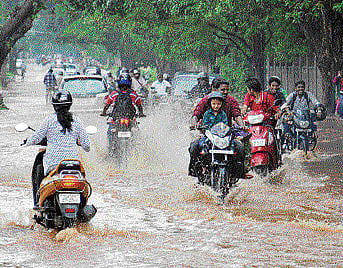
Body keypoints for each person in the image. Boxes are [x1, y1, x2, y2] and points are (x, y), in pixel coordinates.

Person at [25, 90, 91, 207]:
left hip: (53, 166)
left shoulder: (49, 120)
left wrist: (27, 142)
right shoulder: (77, 121)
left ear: (54, 106)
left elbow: (36, 138)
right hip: (74, 165)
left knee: (39, 168)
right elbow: (87, 146)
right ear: (70, 104)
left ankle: (37, 203)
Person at [188, 78, 245, 178]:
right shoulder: (205, 100)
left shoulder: (231, 101)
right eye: (222, 90)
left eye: (227, 90)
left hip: (226, 135)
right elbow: (196, 114)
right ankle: (196, 172)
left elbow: (237, 115)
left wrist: (241, 125)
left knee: (240, 147)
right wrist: (195, 124)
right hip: (208, 135)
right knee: (194, 146)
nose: (225, 92)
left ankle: (238, 173)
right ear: (214, 89)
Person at [100, 73, 145, 149]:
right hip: (130, 120)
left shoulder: (114, 94)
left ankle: (110, 149)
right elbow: (139, 106)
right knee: (137, 134)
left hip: (116, 120)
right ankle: (138, 149)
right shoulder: (133, 94)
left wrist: (104, 113)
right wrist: (141, 113)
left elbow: (107, 105)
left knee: (110, 133)